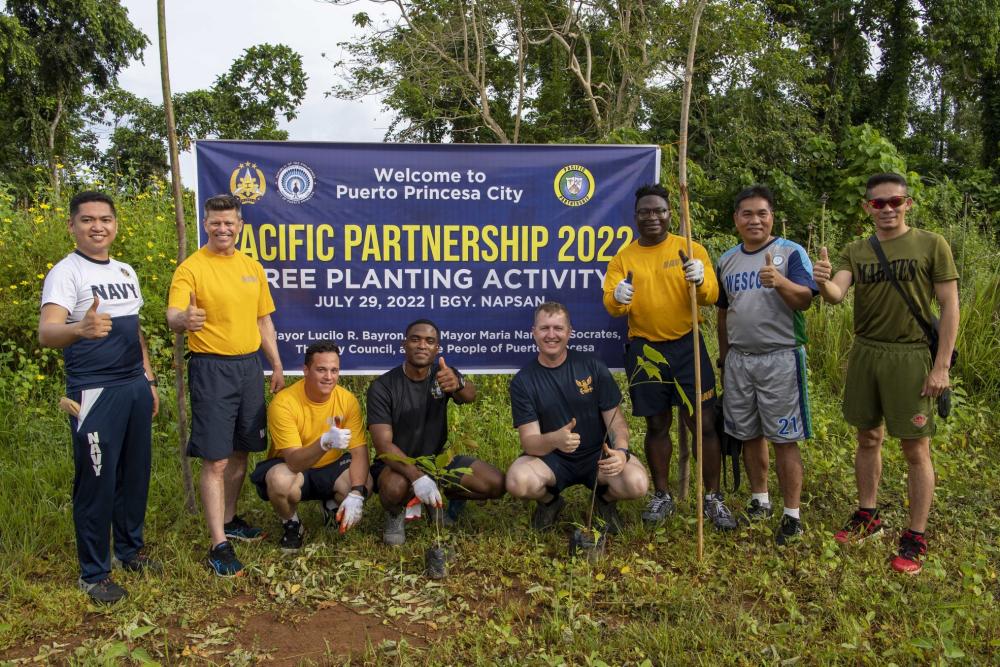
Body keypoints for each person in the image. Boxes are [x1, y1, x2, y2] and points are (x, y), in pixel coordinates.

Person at [814, 173, 959, 574]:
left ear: (908, 203)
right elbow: (837, 295)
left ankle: (915, 536)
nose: (888, 209)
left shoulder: (932, 244)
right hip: (866, 351)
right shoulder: (857, 250)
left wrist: (941, 366)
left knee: (915, 448)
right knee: (867, 436)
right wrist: (822, 281)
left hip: (911, 355)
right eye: (879, 204)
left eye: (895, 202)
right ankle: (868, 515)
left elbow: (949, 306)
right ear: (867, 208)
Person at [39, 191, 160, 604]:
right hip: (94, 390)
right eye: (87, 219)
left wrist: (149, 378)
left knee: (134, 475)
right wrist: (80, 329)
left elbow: (135, 327)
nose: (97, 226)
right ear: (72, 225)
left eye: (105, 219)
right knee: (97, 481)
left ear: (115, 225)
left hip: (133, 387)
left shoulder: (125, 270)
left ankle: (130, 551)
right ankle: (93, 573)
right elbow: (47, 332)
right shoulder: (65, 273)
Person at [603, 183, 737, 530]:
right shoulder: (624, 257)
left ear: (669, 214)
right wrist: (619, 295)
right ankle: (662, 495)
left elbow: (710, 296)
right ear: (635, 217)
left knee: (703, 424)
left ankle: (712, 497)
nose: (652, 217)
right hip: (645, 350)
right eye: (645, 212)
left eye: (659, 211)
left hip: (686, 346)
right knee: (656, 424)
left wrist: (699, 278)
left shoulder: (690, 248)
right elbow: (613, 307)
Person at [167, 194, 284, 577]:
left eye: (229, 222)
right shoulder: (191, 268)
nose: (222, 228)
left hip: (250, 368)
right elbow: (172, 315)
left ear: (240, 226)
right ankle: (218, 544)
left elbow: (263, 321)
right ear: (205, 224)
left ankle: (231, 521)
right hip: (211, 369)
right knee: (215, 458)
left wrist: (276, 367)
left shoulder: (252, 267)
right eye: (215, 222)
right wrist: (184, 318)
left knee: (240, 451)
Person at [715, 185, 818, 545]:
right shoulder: (727, 260)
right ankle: (760, 500)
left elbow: (805, 300)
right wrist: (724, 356)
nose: (755, 220)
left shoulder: (790, 252)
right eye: (747, 213)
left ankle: (792, 515)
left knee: (784, 437)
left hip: (780, 357)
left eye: (762, 213)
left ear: (772, 216)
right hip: (740, 360)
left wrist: (780, 282)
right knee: (748, 433)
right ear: (736, 220)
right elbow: (724, 312)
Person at [505, 302, 649, 533]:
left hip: (598, 455)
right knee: (517, 481)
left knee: (637, 483)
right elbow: (529, 442)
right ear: (533, 332)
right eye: (544, 328)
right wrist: (555, 440)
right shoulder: (523, 381)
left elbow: (617, 424)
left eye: (558, 328)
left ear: (570, 331)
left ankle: (604, 502)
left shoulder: (593, 366)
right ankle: (550, 503)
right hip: (552, 459)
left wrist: (621, 452)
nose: (551, 335)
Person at [367, 319, 505, 545]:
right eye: (415, 339)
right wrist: (419, 478)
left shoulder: (443, 375)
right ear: (404, 345)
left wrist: (459, 384)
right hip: (396, 464)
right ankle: (395, 513)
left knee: (495, 483)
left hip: (437, 462)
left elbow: (470, 396)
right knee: (395, 488)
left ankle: (437, 501)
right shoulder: (383, 387)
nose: (422, 345)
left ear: (437, 349)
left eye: (429, 341)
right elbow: (383, 447)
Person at [249, 341, 371, 553]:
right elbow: (295, 461)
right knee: (278, 481)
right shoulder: (284, 403)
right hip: (296, 468)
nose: (328, 377)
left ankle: (331, 505)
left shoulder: (347, 400)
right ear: (305, 370)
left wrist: (357, 495)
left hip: (331, 466)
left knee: (364, 481)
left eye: (334, 370)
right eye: (321, 370)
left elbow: (359, 450)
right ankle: (292, 523)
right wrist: (324, 443)